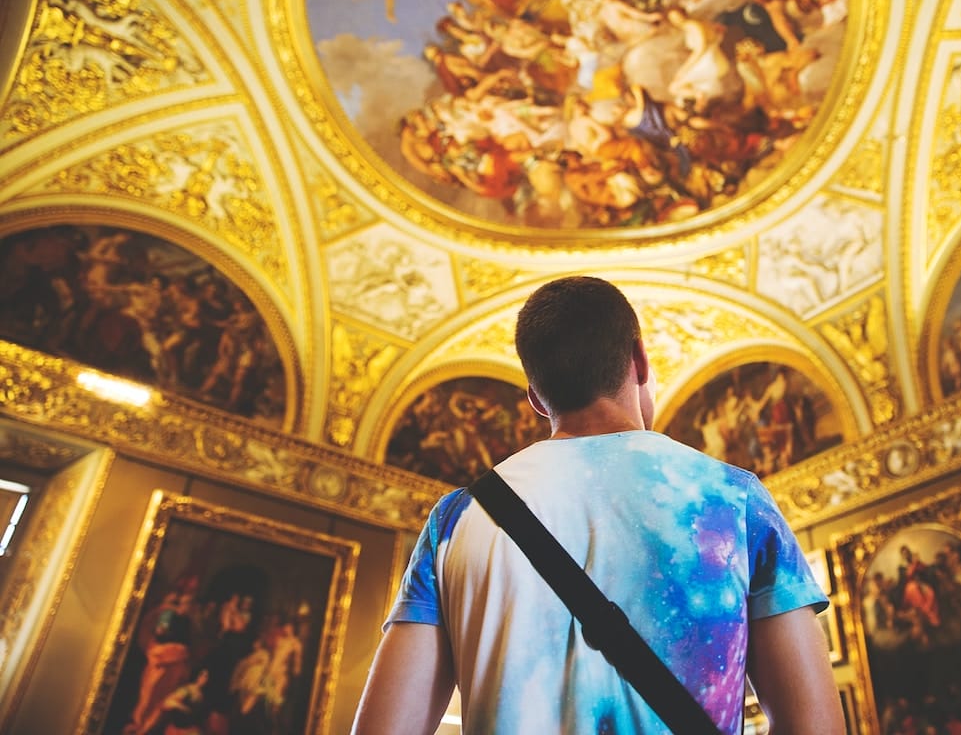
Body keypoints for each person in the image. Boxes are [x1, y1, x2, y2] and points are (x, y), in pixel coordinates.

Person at [352, 276, 841, 734]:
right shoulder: (734, 498)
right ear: (640, 360)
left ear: (536, 398)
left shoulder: (457, 519)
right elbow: (815, 726)